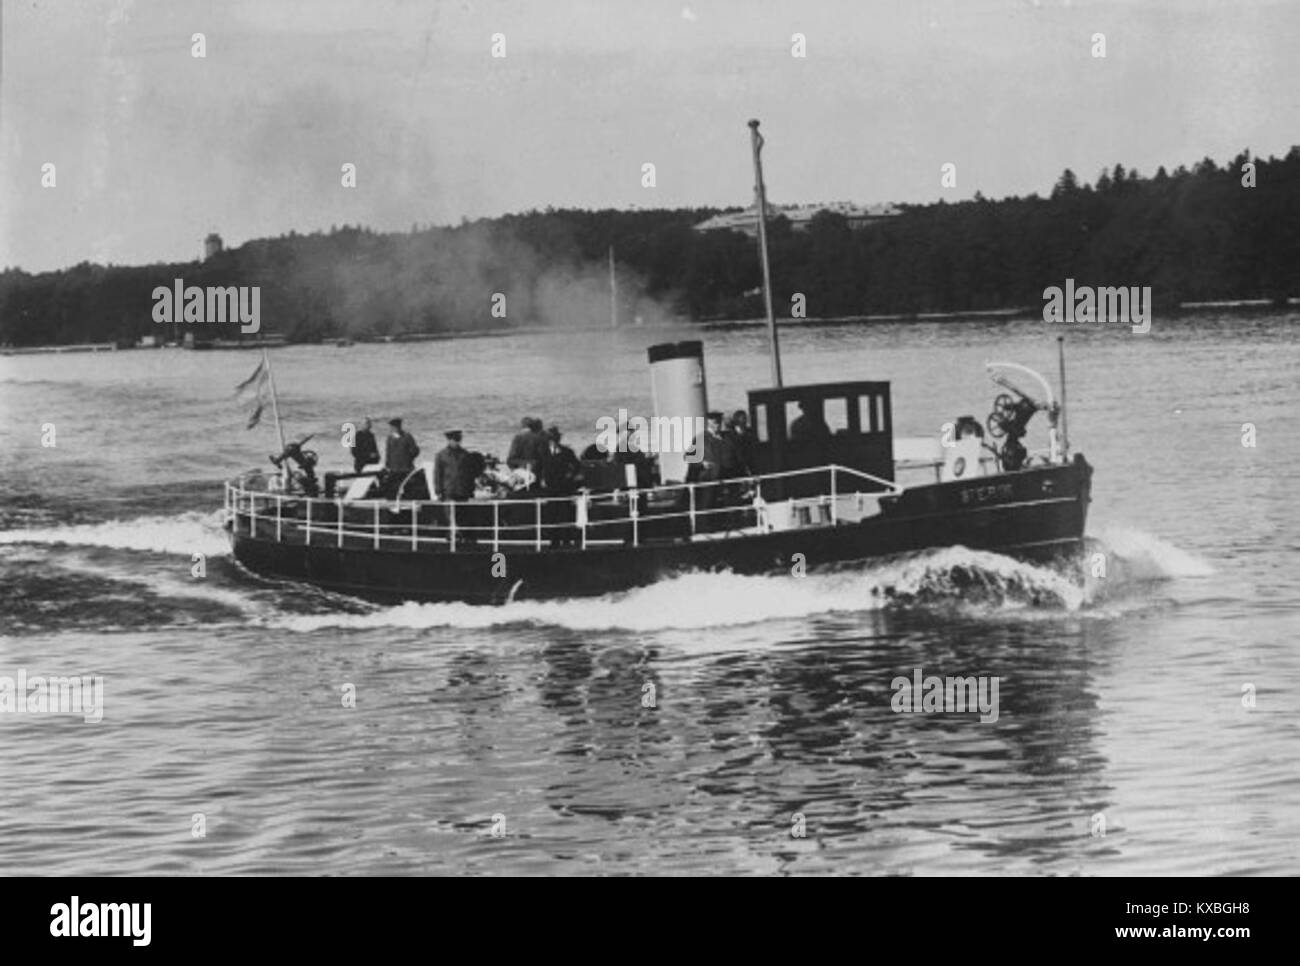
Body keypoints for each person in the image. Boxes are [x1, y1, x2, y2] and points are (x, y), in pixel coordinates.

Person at [434, 430, 478, 502]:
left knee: (463, 512)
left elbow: (470, 474)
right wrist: (438, 491)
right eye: (455, 440)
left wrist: (471, 490)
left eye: (459, 440)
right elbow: (438, 475)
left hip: (463, 491)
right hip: (448, 491)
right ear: (449, 440)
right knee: (449, 512)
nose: (457, 442)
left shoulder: (465, 455)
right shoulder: (441, 455)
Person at [507, 416, 549, 485]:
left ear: (522, 426)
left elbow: (510, 460)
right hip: (538, 473)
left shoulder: (518, 437)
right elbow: (545, 458)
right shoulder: (540, 438)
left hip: (524, 472)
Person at [542, 425, 582, 494]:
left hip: (564, 484)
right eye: (552, 439)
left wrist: (570, 475)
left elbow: (577, 465)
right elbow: (540, 466)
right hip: (548, 484)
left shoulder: (567, 451)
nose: (554, 441)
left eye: (555, 438)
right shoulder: (542, 452)